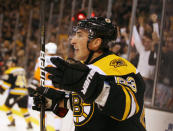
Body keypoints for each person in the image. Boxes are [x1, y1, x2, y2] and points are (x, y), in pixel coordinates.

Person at [30, 17, 146, 131]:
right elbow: (90, 103)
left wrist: (89, 84)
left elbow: (128, 108)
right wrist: (58, 101)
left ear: (96, 42)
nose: (72, 41)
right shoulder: (85, 68)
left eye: (79, 35)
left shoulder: (118, 67)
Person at [28, 42, 65, 131]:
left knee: (42, 110)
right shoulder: (60, 59)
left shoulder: (41, 58)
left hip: (44, 89)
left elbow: (37, 75)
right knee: (57, 111)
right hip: (57, 89)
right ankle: (57, 129)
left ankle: (44, 128)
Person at [0, 57, 33, 129]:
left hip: (15, 93)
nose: (8, 64)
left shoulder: (9, 71)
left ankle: (12, 121)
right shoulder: (22, 70)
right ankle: (29, 123)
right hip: (24, 93)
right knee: (24, 110)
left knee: (6, 107)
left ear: (13, 63)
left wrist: (2, 90)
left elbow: (7, 83)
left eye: (9, 62)